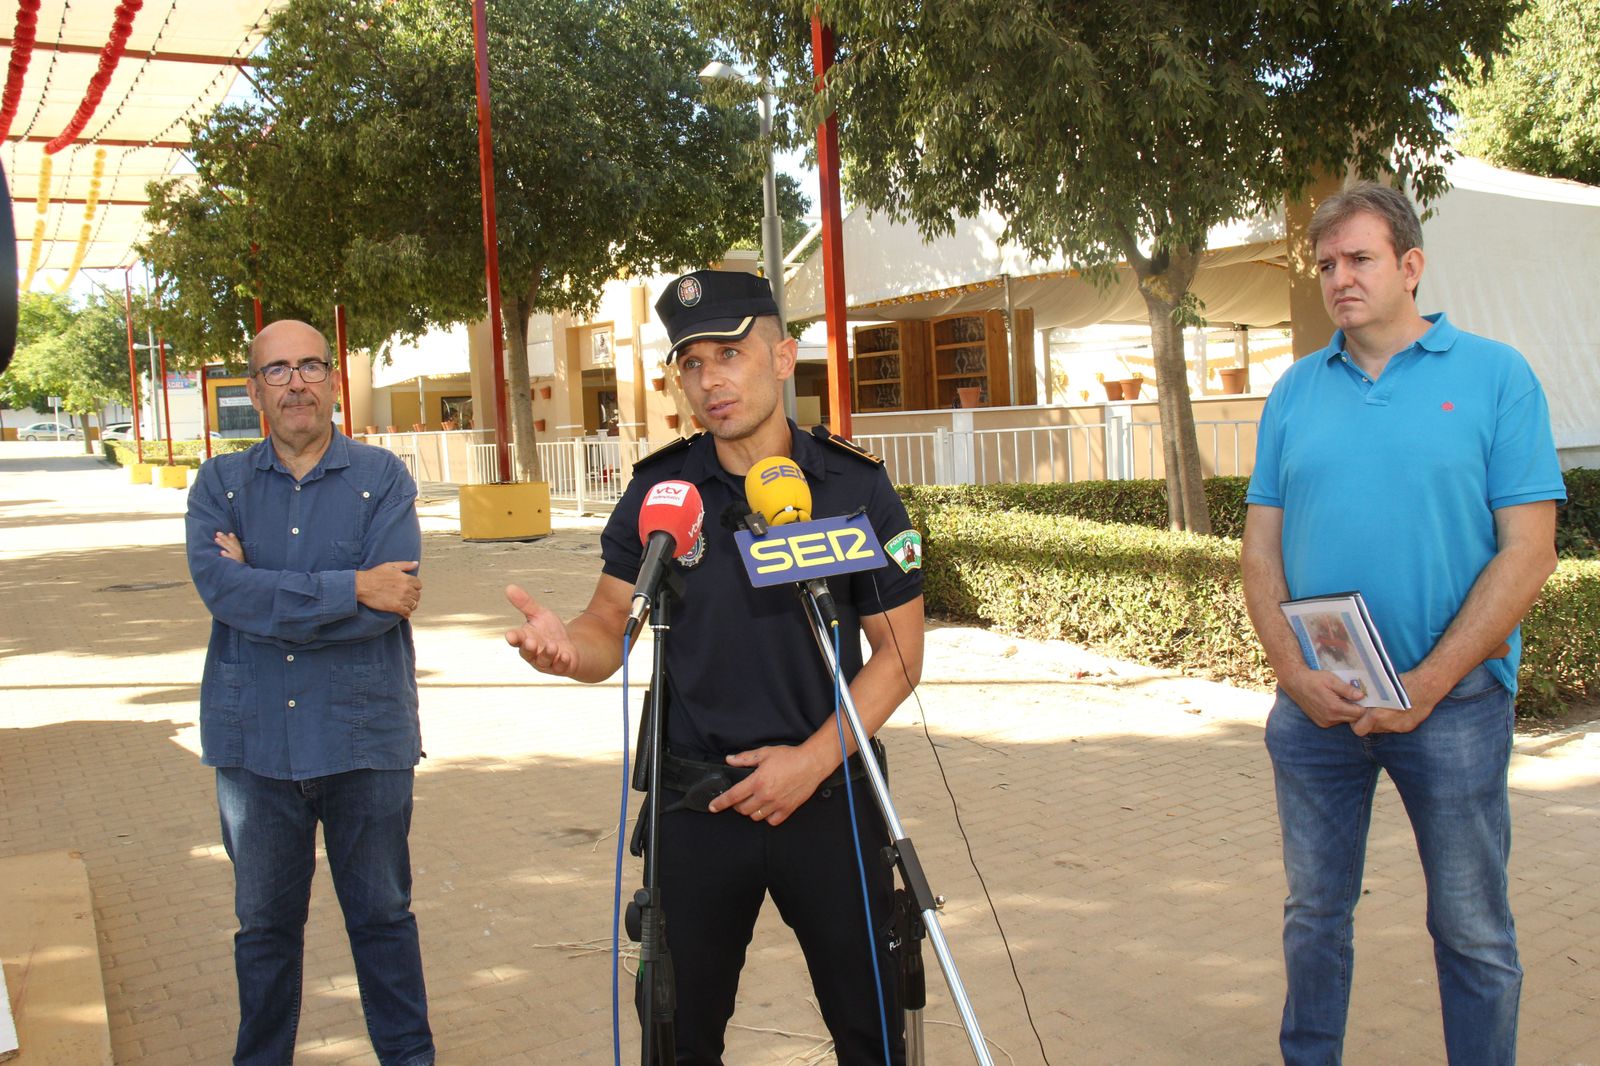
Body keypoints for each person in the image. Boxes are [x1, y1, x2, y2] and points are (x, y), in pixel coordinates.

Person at [504, 269, 926, 1064]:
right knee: (678, 1040)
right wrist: (566, 651)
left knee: (872, 1035)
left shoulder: (854, 485)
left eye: (729, 353)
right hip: (696, 806)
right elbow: (608, 626)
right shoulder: (661, 491)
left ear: (782, 356)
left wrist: (808, 762)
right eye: (691, 362)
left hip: (829, 798)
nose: (709, 380)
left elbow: (900, 655)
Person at [1241, 183, 1565, 1065]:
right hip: (1317, 711)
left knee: (1472, 929)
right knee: (1314, 918)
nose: (1339, 278)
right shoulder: (1295, 391)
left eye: (1359, 259)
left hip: (1454, 707)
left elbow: (1528, 551)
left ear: (1411, 265)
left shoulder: (1497, 376)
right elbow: (1259, 547)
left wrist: (1425, 685)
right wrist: (1291, 672)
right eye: (1325, 266)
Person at [185, 319, 434, 1066]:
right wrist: (352, 586)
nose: (296, 382)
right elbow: (221, 593)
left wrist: (264, 589)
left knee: (384, 920)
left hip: (364, 739)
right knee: (262, 931)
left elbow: (390, 602)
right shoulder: (219, 485)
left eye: (311, 366)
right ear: (255, 389)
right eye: (277, 370)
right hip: (254, 745)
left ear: (333, 380)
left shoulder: (382, 478)